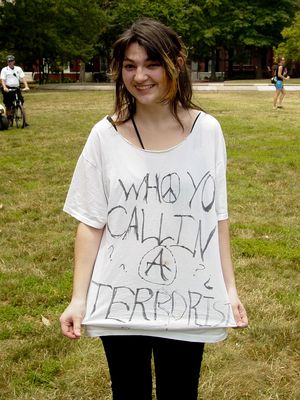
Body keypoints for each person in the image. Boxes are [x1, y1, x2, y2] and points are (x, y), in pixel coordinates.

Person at [60, 19, 248, 400]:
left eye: (152, 64)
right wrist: (79, 298)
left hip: (186, 298)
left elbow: (216, 218)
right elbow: (91, 223)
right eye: (130, 66)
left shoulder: (208, 131)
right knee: (129, 393)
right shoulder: (104, 135)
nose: (140, 76)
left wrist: (229, 288)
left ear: (176, 64)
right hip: (120, 300)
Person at [0, 55, 30, 126]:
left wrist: (26, 86)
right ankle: (9, 119)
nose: (10, 62)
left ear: (14, 61)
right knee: (8, 104)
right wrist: (4, 87)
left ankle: (23, 120)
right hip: (8, 88)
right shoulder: (4, 70)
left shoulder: (18, 69)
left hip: (16, 88)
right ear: (7, 62)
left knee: (20, 101)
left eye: (11, 61)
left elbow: (23, 78)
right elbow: (2, 80)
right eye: (9, 61)